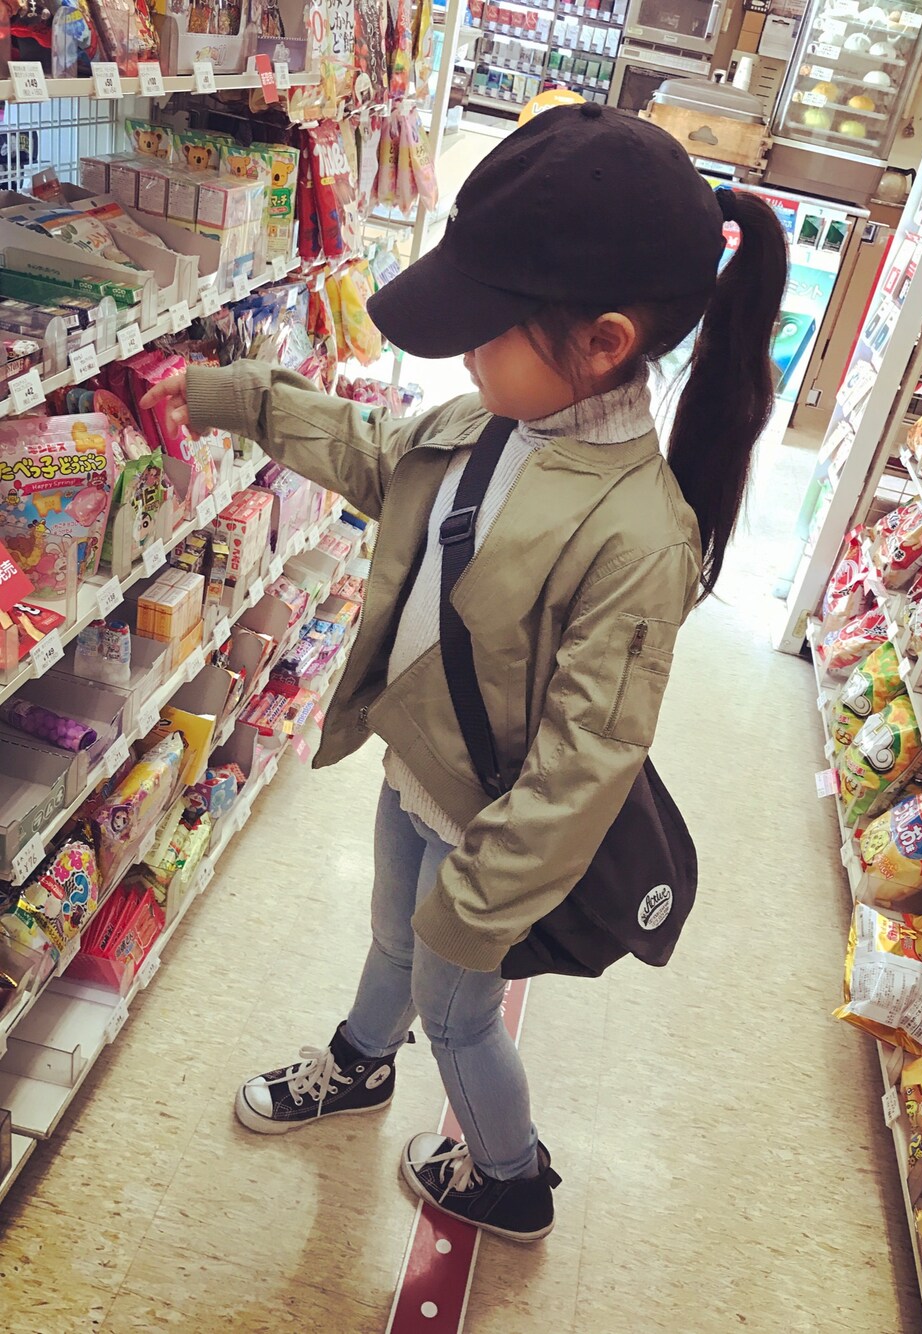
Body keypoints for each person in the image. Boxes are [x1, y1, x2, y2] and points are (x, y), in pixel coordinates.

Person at [140, 103, 787, 1244]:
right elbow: (372, 456)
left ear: (605, 343)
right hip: (416, 768)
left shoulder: (638, 534)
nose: (465, 350)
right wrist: (230, 396)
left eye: (490, 327)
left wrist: (480, 909)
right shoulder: (488, 421)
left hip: (494, 830)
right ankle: (358, 1060)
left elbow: (589, 757)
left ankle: (508, 1175)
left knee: (456, 1008)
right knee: (392, 935)